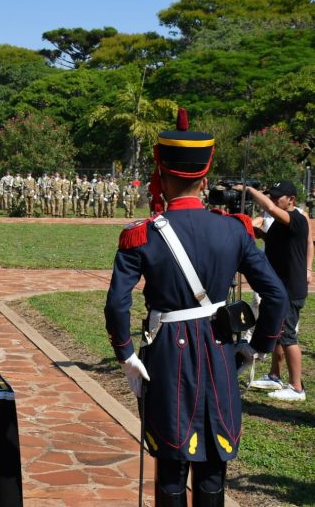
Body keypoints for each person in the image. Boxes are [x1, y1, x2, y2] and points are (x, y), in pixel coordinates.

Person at [104, 117, 287, 506]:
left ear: (161, 178)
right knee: (214, 465)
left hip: (167, 353)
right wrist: (257, 348)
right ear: (204, 181)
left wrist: (127, 355)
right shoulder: (234, 229)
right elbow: (276, 295)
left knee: (171, 465)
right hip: (220, 348)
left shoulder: (142, 233)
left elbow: (117, 304)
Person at [239, 180, 310, 402]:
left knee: (288, 336)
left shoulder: (296, 219)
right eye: (272, 195)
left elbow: (269, 208)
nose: (273, 200)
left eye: (278, 197)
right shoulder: (281, 224)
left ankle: (297, 388)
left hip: (291, 288)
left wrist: (248, 190)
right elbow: (266, 236)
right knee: (279, 334)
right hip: (281, 287)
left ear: (291, 200)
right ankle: (275, 376)